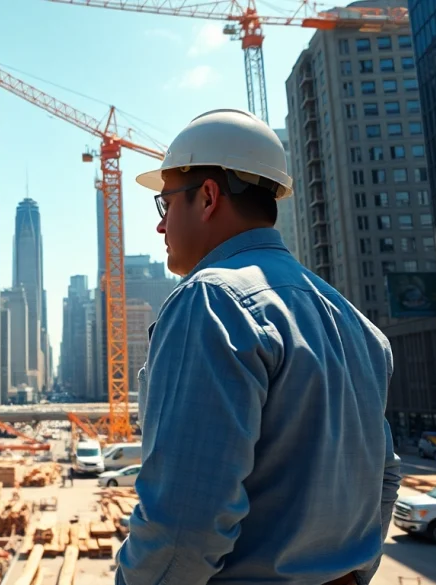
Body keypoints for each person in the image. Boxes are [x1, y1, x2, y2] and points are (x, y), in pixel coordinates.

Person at [115, 109, 401, 585]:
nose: (161, 227)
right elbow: (384, 479)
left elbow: (184, 525)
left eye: (166, 204)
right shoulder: (358, 324)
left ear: (208, 197)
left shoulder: (210, 301)